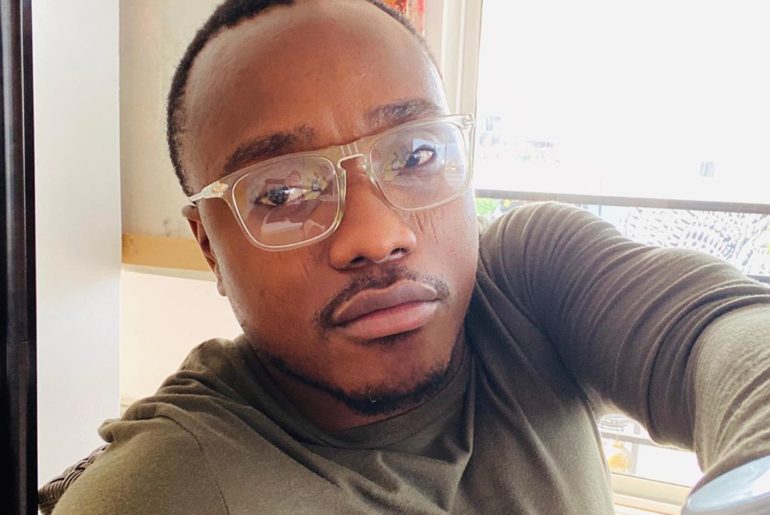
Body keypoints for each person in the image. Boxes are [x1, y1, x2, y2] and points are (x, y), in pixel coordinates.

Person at [50, 0, 770, 513]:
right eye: (283, 192)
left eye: (416, 154)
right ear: (210, 245)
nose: (375, 234)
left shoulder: (528, 284)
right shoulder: (166, 488)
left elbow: (723, 334)